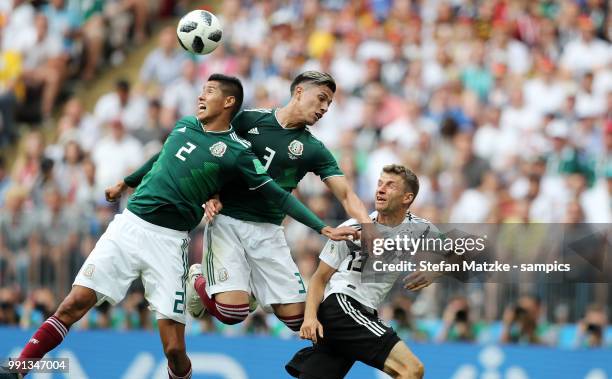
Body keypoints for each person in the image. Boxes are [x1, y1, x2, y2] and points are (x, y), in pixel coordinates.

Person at [0, 74, 355, 379]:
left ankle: (196, 295)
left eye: (210, 91)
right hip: (128, 228)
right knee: (73, 304)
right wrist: (125, 183)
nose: (201, 96)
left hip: (170, 244)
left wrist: (320, 227)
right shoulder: (185, 125)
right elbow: (161, 156)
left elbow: (277, 194)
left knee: (173, 349)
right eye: (201, 90)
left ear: (228, 101)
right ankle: (20, 366)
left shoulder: (236, 152)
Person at [186, 71, 371, 332]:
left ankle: (248, 288)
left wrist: (369, 227)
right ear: (298, 92)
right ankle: (197, 278)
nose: (325, 108)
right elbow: (212, 152)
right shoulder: (248, 119)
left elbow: (346, 194)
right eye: (321, 98)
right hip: (228, 222)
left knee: (297, 319)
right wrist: (211, 194)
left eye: (329, 104)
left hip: (269, 232)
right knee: (231, 313)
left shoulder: (313, 148)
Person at [286, 164, 432, 379]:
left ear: (407, 198)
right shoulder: (354, 226)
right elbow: (319, 278)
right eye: (380, 183)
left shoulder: (421, 229)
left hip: (358, 314)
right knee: (412, 369)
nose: (381, 189)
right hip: (343, 305)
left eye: (390, 186)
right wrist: (309, 318)